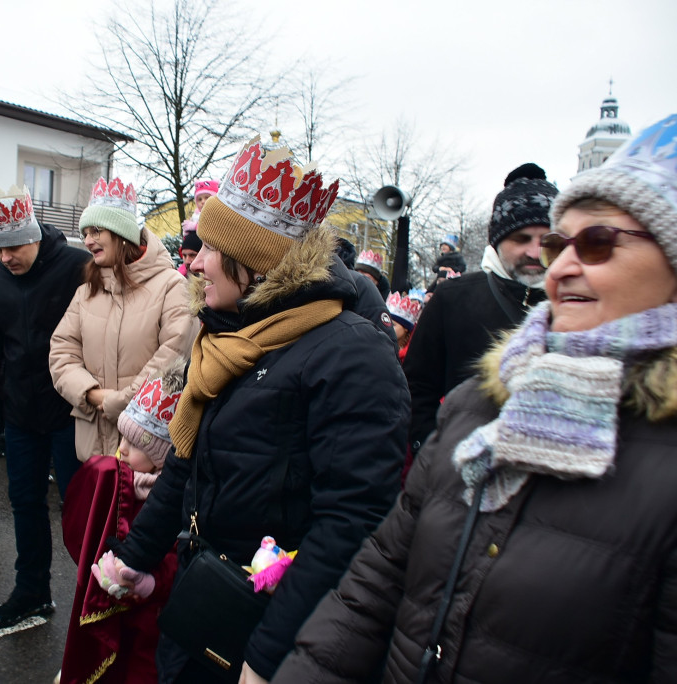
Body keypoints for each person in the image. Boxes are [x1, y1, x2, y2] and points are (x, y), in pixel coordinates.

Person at [274, 113, 677, 684]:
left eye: (598, 242)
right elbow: (378, 582)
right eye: (561, 243)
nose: (557, 265)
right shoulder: (478, 405)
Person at [104, 138, 410, 683]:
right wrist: (136, 555)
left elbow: (352, 524)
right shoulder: (228, 335)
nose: (193, 262)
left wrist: (268, 656)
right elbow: (184, 459)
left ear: (254, 260)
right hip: (204, 599)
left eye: (209, 248)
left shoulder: (352, 353)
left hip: (270, 628)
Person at [0, 185, 90, 629]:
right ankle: (31, 590)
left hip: (70, 410)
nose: (6, 256)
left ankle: (97, 593)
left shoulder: (76, 267)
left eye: (15, 245)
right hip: (19, 411)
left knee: (79, 508)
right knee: (25, 502)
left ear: (35, 234)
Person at [403, 163, 558, 454]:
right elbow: (416, 388)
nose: (535, 252)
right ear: (497, 242)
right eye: (521, 239)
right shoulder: (453, 297)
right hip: (458, 472)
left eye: (547, 240)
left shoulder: (576, 302)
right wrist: (431, 451)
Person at [50, 176, 197, 462]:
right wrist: (90, 393)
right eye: (85, 233)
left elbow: (173, 356)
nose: (88, 240)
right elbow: (61, 352)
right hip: (92, 445)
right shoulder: (87, 290)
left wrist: (120, 401)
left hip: (145, 449)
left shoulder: (171, 286)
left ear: (122, 232)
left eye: (96, 231)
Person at [60, 360, 186, 684]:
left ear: (164, 455)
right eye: (123, 438)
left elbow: (177, 558)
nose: (123, 450)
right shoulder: (118, 482)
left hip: (154, 621)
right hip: (115, 611)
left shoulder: (173, 500)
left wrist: (150, 583)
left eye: (138, 445)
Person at [386, 291, 422, 362]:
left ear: (406, 328)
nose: (387, 327)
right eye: (386, 322)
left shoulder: (412, 355)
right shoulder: (379, 345)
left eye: (393, 325)